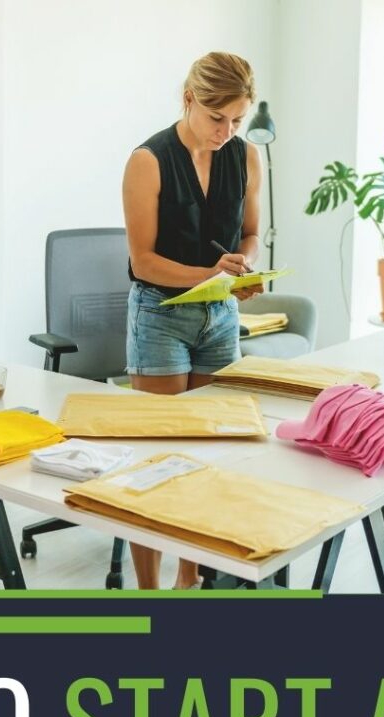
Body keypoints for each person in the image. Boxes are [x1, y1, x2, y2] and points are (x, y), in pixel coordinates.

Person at [122, 51, 263, 590]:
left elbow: (250, 232)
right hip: (159, 316)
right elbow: (144, 261)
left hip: (220, 317)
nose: (227, 132)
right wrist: (212, 272)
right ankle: (149, 592)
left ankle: (190, 581)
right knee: (155, 456)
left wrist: (244, 265)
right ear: (189, 100)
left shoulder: (246, 156)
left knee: (210, 453)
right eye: (217, 118)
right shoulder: (148, 160)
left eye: (237, 120)